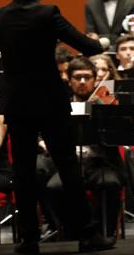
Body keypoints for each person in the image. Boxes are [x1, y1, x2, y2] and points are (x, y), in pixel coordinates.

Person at [0, 0, 113, 254]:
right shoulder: (47, 12)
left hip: (18, 103)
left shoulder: (0, 16)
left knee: (23, 171)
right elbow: (85, 46)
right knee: (68, 167)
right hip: (48, 101)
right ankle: (86, 234)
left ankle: (28, 239)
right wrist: (103, 43)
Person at [42, 57, 125, 238]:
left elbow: (118, 135)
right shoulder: (59, 104)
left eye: (87, 77)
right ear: (68, 80)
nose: (82, 82)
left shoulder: (106, 100)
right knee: (54, 187)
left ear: (95, 80)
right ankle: (71, 234)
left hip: (101, 163)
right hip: (70, 163)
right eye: (77, 77)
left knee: (110, 184)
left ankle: (105, 234)